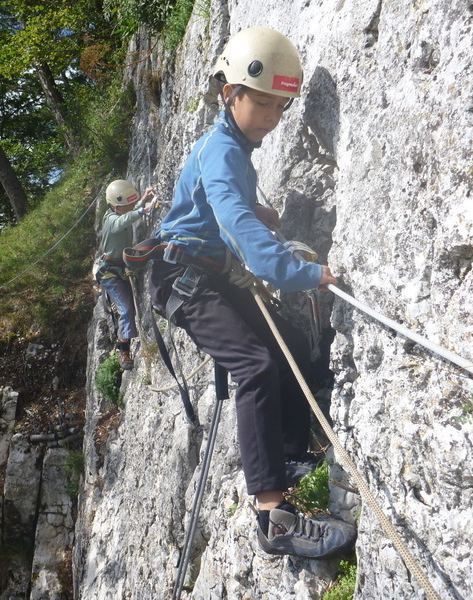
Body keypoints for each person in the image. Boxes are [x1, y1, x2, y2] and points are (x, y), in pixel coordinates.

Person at [148, 27, 356, 558]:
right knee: (256, 365)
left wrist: (257, 209)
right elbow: (236, 223)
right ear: (230, 94)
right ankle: (274, 517)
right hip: (182, 279)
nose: (271, 117)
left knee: (290, 341)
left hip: (206, 271)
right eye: (261, 103)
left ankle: (288, 454)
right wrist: (301, 272)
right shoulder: (222, 150)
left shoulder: (231, 148)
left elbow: (214, 202)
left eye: (280, 107)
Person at [97, 179, 155, 370]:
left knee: (129, 308)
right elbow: (122, 221)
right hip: (109, 273)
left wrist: (143, 200)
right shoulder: (111, 220)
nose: (131, 207)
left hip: (120, 268)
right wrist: (142, 211)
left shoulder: (120, 211)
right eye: (127, 205)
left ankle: (124, 344)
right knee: (127, 309)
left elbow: (128, 212)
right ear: (115, 206)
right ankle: (123, 351)